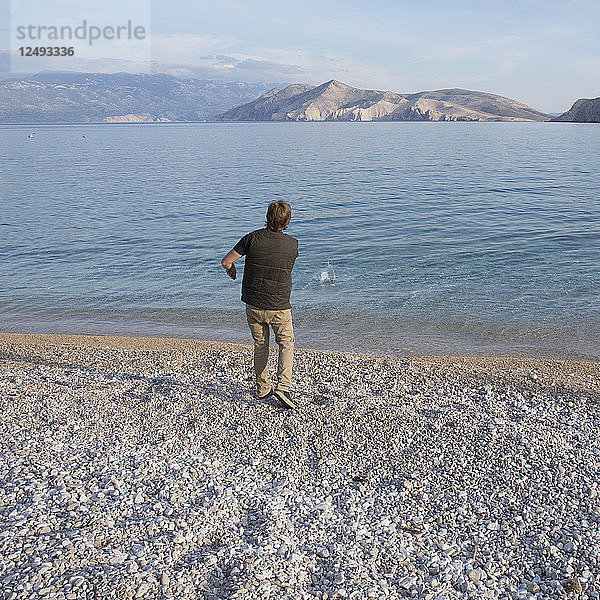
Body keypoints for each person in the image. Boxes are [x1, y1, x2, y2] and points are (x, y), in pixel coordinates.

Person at [221, 200, 299, 409]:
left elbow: (226, 261)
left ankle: (262, 387)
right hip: (279, 305)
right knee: (286, 343)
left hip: (254, 304)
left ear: (267, 217)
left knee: (261, 344)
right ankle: (283, 387)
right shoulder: (292, 245)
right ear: (287, 222)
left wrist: (231, 270)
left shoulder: (251, 238)